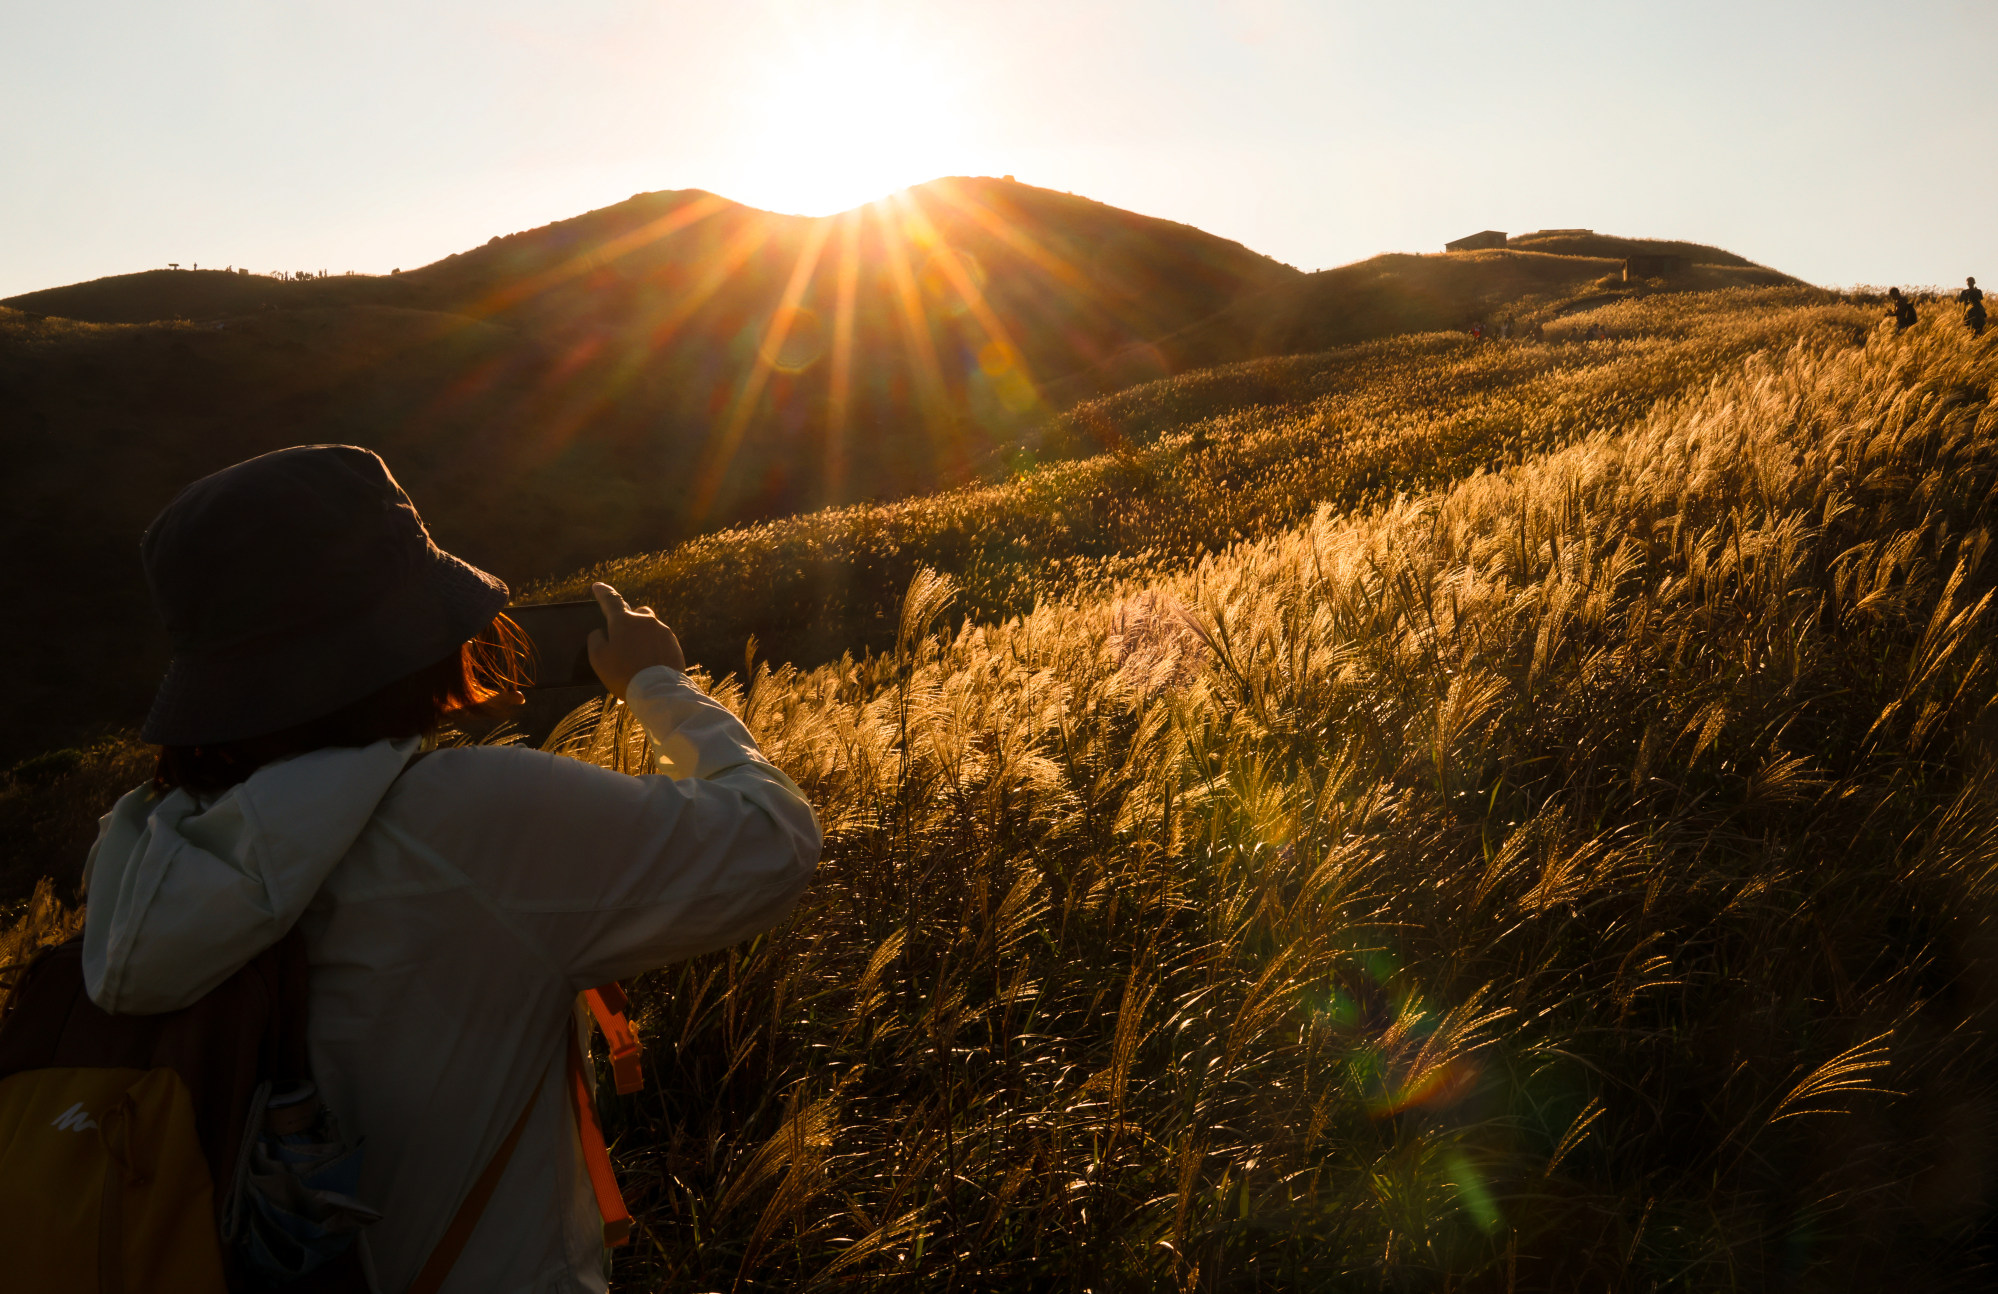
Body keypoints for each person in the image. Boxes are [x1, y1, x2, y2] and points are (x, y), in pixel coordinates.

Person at [80, 445, 821, 1292]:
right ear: (412, 634)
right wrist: (659, 683)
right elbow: (774, 841)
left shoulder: (137, 855)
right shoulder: (467, 816)